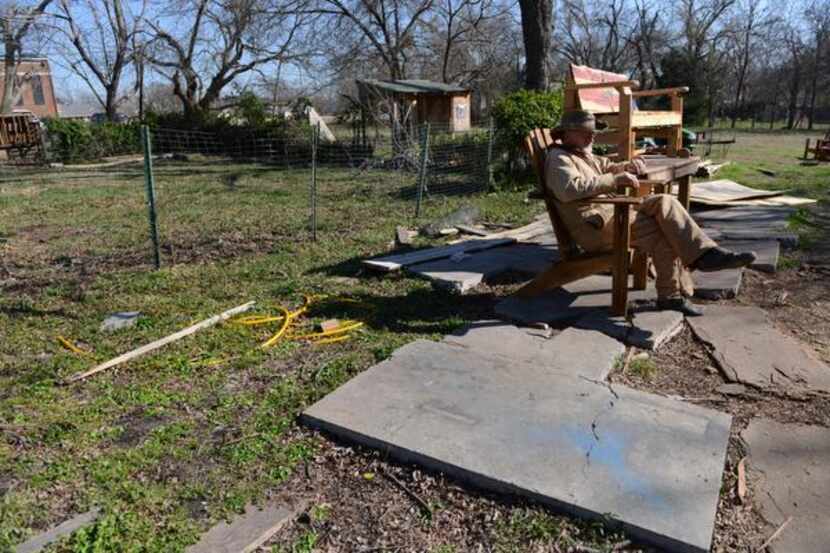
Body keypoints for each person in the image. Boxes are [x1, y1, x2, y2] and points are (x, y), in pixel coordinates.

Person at [544, 110, 756, 316]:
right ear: (568, 133)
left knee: (665, 202)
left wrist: (629, 166)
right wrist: (615, 180)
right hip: (595, 228)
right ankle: (684, 280)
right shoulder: (559, 158)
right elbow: (569, 189)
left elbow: (608, 166)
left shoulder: (582, 156)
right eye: (585, 131)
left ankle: (701, 260)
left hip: (612, 216)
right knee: (664, 230)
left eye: (593, 132)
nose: (592, 136)